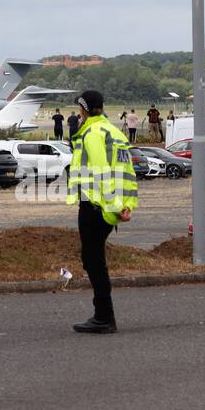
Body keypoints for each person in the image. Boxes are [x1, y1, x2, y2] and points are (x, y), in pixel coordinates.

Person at [66, 90, 138, 334]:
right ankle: (103, 315)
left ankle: (104, 317)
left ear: (84, 109)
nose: (78, 113)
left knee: (93, 262)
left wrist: (114, 205)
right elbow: (127, 173)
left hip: (95, 206)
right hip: (111, 208)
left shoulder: (92, 133)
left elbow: (101, 173)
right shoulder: (114, 132)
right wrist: (127, 205)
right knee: (94, 260)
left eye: (80, 109)